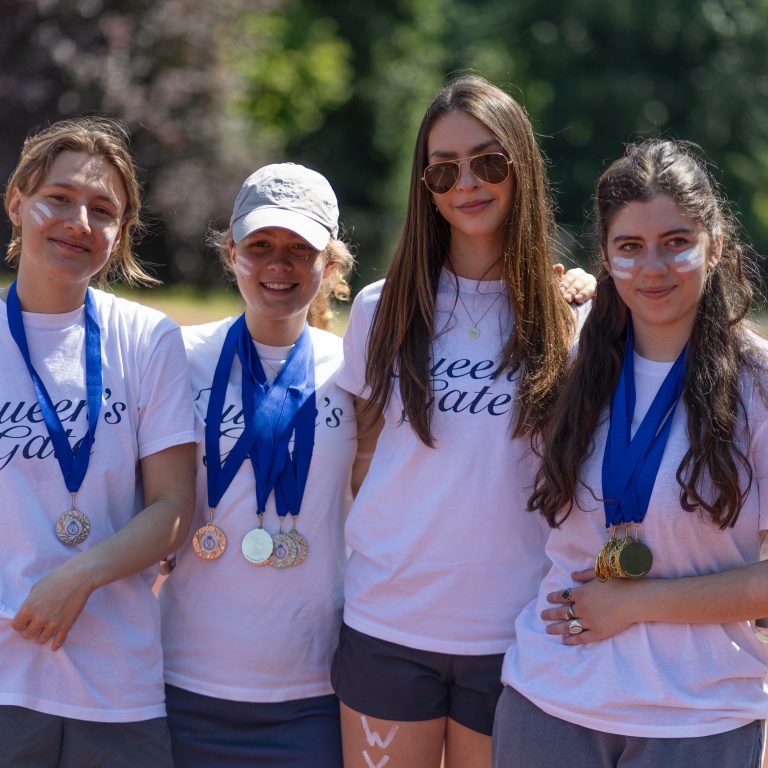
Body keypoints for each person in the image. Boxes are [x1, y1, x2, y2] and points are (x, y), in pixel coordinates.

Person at [330, 74, 595, 768]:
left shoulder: (576, 318)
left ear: (522, 168)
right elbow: (362, 451)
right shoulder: (379, 309)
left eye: (488, 162)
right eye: (443, 170)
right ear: (426, 186)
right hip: (389, 623)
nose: (466, 183)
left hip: (517, 630)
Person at [495, 139, 768, 768]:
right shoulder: (566, 359)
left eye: (677, 242)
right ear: (605, 256)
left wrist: (637, 602)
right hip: (551, 705)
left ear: (716, 245)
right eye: (630, 247)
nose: (653, 268)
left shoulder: (755, 383)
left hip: (701, 719)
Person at [0, 117, 196, 768]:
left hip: (116, 688)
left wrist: (76, 578)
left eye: (102, 209)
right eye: (58, 197)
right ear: (17, 202)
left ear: (119, 234)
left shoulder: (147, 339)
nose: (78, 221)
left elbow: (172, 510)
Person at [159, 163, 357, 767]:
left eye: (301, 249)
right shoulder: (176, 357)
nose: (279, 264)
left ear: (331, 264)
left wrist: (575, 293)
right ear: (232, 252)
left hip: (312, 690)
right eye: (261, 246)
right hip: (179, 681)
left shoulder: (355, 371)